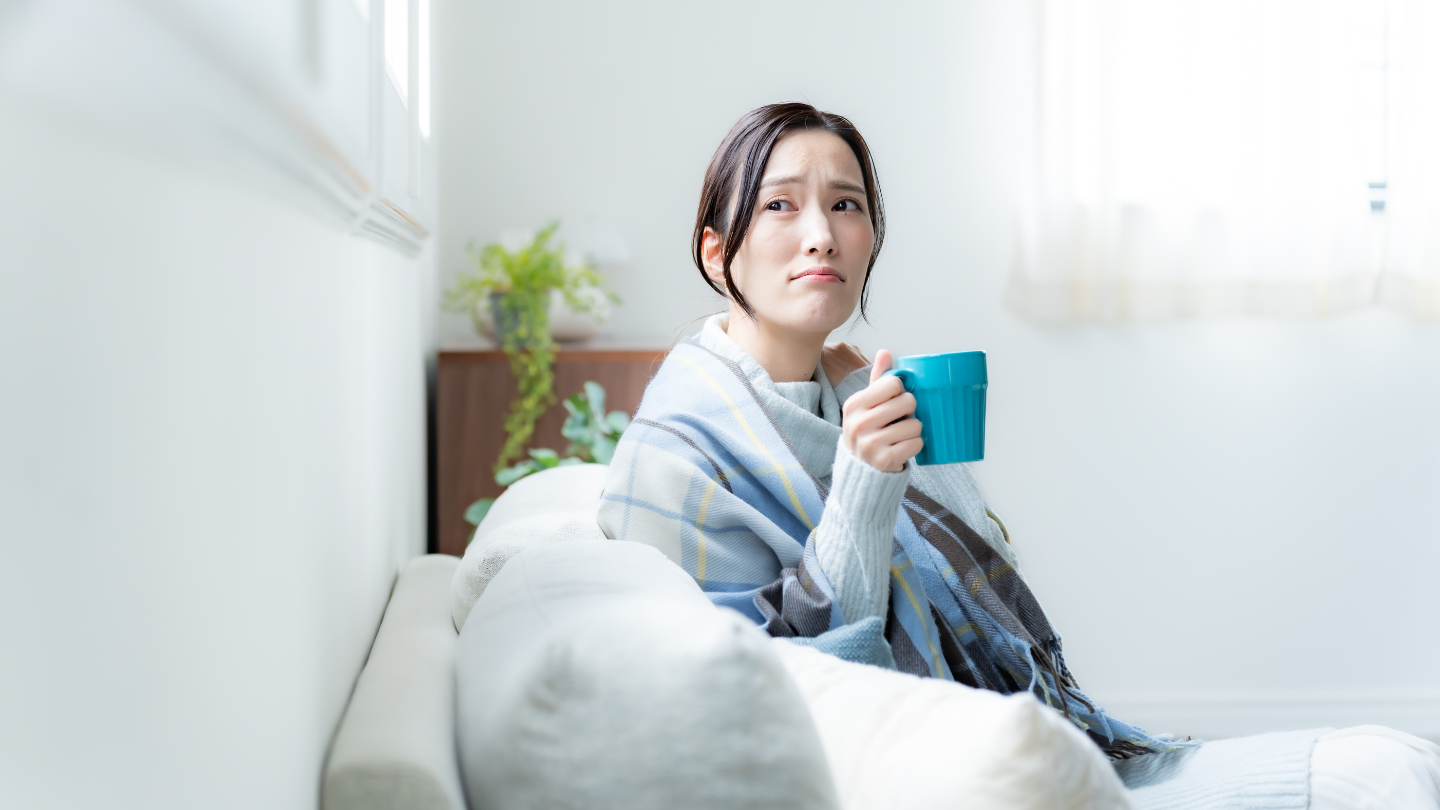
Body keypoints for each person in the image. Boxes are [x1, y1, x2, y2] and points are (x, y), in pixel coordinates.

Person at [598, 102, 1440, 807]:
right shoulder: (682, 447)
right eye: (781, 205)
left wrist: (898, 449)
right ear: (718, 251)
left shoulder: (838, 397)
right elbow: (783, 700)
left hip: (988, 738)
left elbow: (990, 556)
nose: (821, 233)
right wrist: (861, 485)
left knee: (1395, 761)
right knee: (1384, 775)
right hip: (906, 772)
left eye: (847, 204)